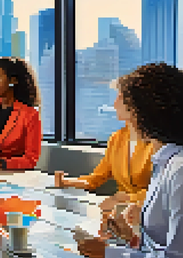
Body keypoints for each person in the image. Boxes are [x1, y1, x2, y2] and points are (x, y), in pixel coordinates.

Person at [78, 63, 183, 258]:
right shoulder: (165, 162)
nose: (115, 105)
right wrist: (130, 238)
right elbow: (162, 247)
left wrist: (109, 254)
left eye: (122, 100)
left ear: (145, 112)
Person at [54, 79, 155, 237]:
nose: (114, 104)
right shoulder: (117, 139)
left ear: (136, 104)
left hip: (149, 218)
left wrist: (126, 198)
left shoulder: (157, 143)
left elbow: (163, 191)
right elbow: (96, 178)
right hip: (122, 219)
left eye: (119, 98)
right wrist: (66, 182)